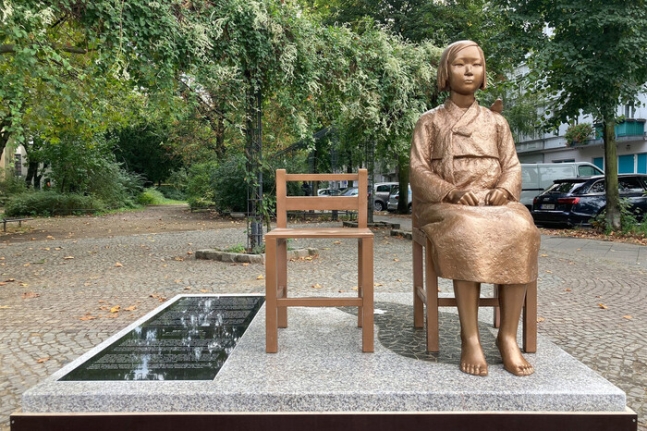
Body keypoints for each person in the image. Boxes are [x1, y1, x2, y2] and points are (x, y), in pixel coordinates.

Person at [410, 40, 540, 377]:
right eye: (460, 64)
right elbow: (418, 170)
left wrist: (503, 189)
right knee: (467, 230)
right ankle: (470, 337)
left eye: (476, 64)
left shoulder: (497, 122)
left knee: (522, 229)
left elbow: (512, 165)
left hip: (495, 202)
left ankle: (507, 336)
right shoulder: (430, 121)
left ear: (483, 73)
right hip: (446, 205)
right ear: (445, 72)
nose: (469, 70)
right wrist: (451, 191)